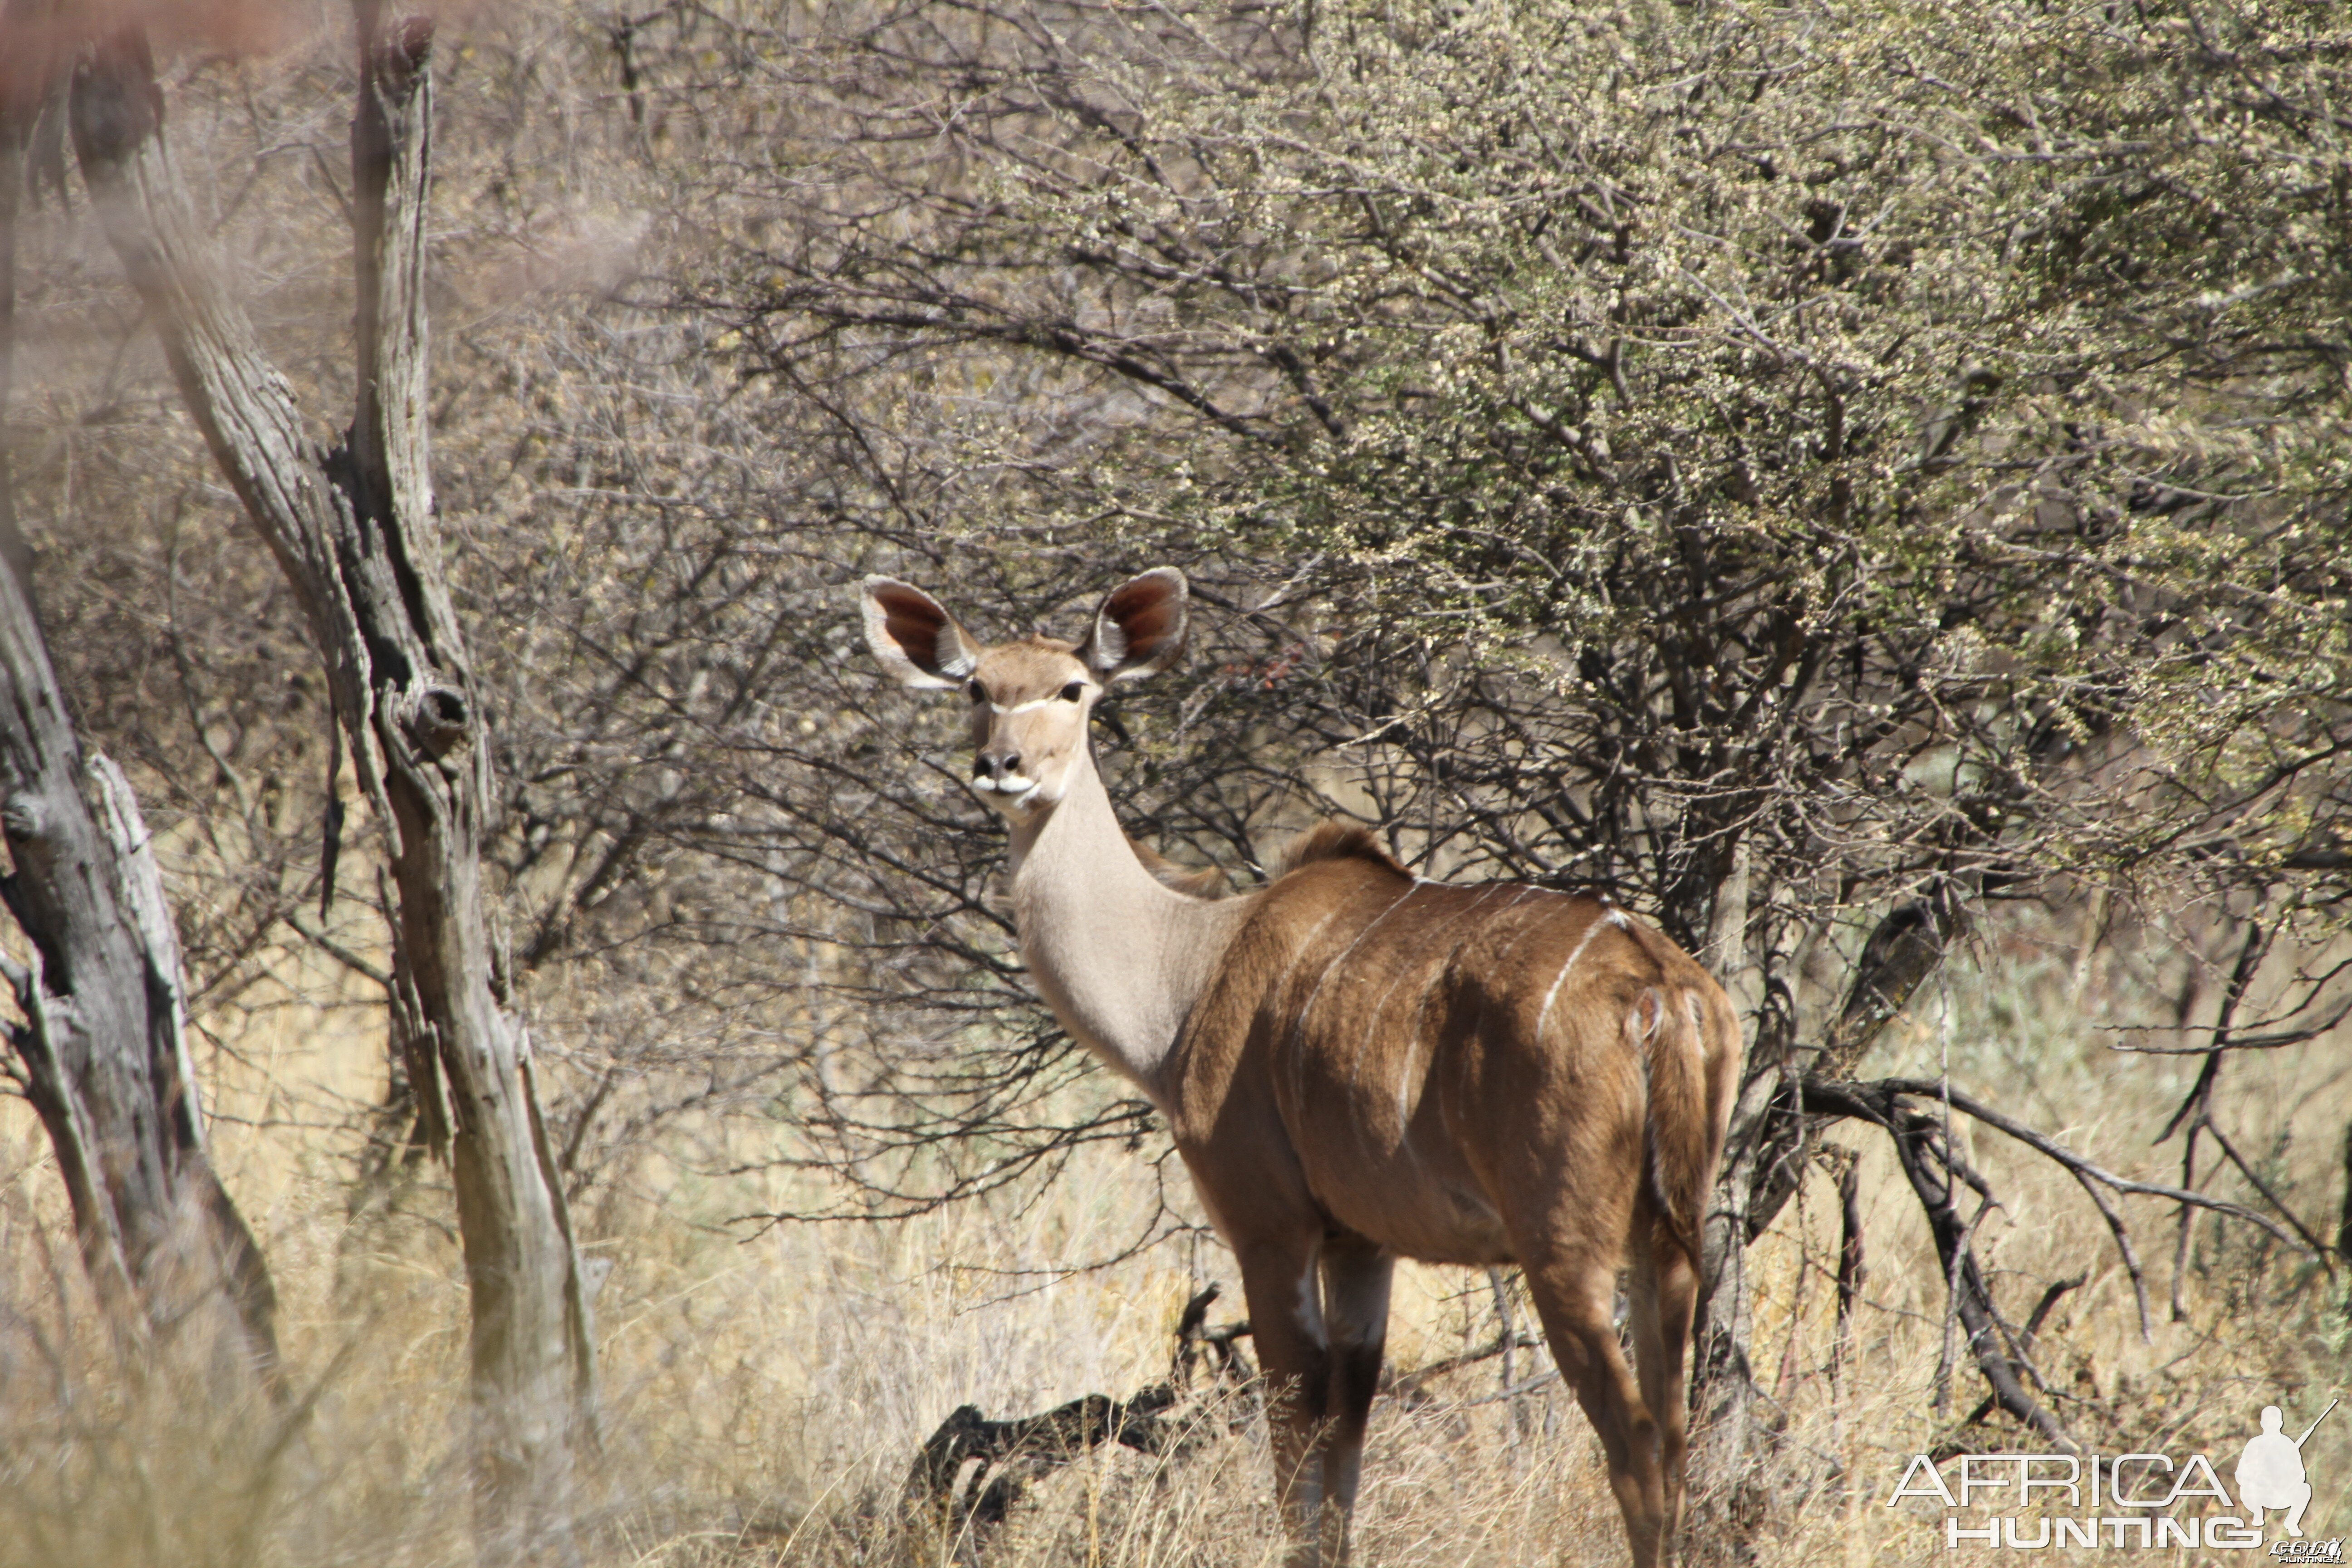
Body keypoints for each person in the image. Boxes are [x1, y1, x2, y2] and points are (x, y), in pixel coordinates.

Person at [2237, 1406, 2313, 1537]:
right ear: (2262, 1424)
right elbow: (2241, 1474)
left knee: (2305, 1489)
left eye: (2275, 1422)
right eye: (2268, 1423)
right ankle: (2258, 1514)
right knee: (2248, 1486)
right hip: (2259, 1494)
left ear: (2281, 1424)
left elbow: (2301, 1475)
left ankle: (2292, 1523)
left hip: (2281, 1493)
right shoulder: (2254, 1444)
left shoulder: (2288, 1444)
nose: (2271, 1426)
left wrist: (2285, 1472)